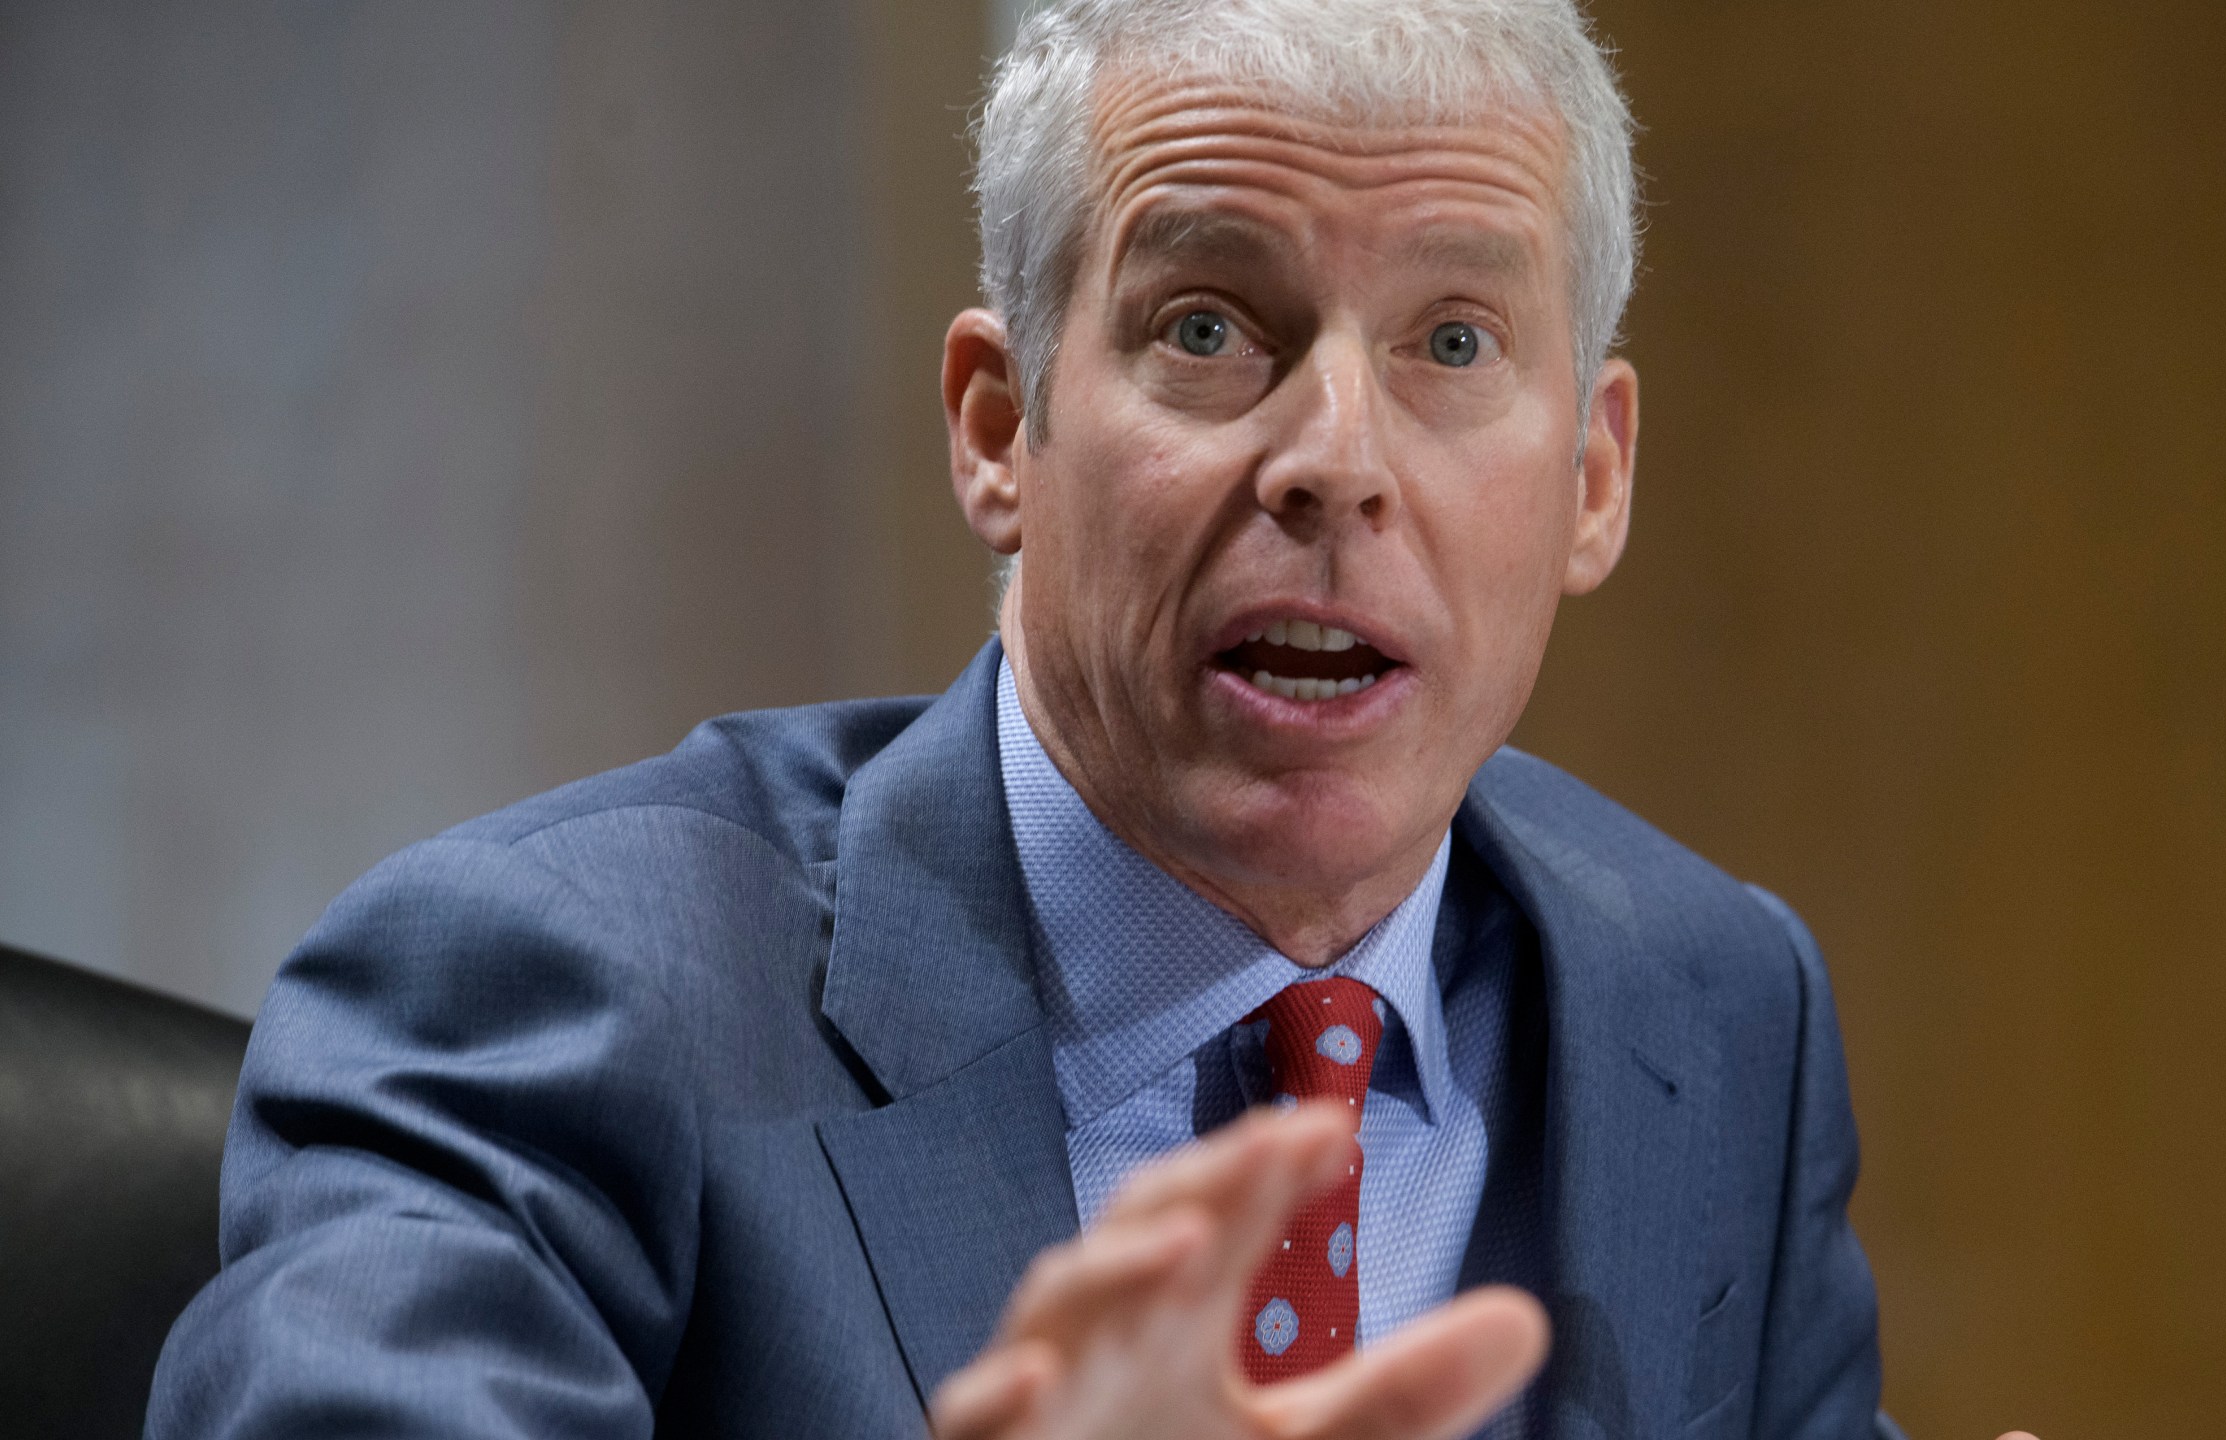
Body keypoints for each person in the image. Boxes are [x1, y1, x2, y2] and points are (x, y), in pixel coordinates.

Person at [148, 2, 2037, 1437]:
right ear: (999, 427)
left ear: (1598, 478)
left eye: (1456, 342)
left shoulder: (1711, 1013)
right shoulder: (545, 992)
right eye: (1210, 325)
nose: (1337, 464)